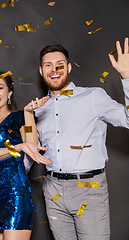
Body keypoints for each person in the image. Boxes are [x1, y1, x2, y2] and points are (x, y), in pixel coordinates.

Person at [34, 38, 129, 240]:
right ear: (41, 71)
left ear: (68, 67)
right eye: (47, 65)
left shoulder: (93, 96)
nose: (54, 69)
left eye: (59, 64)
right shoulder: (39, 108)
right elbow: (33, 149)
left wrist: (127, 76)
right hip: (53, 190)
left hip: (88, 188)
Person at [0, 71, 51, 240]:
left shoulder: (19, 118)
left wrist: (28, 114)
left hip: (15, 194)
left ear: (9, 92)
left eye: (0, 87)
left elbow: (32, 146)